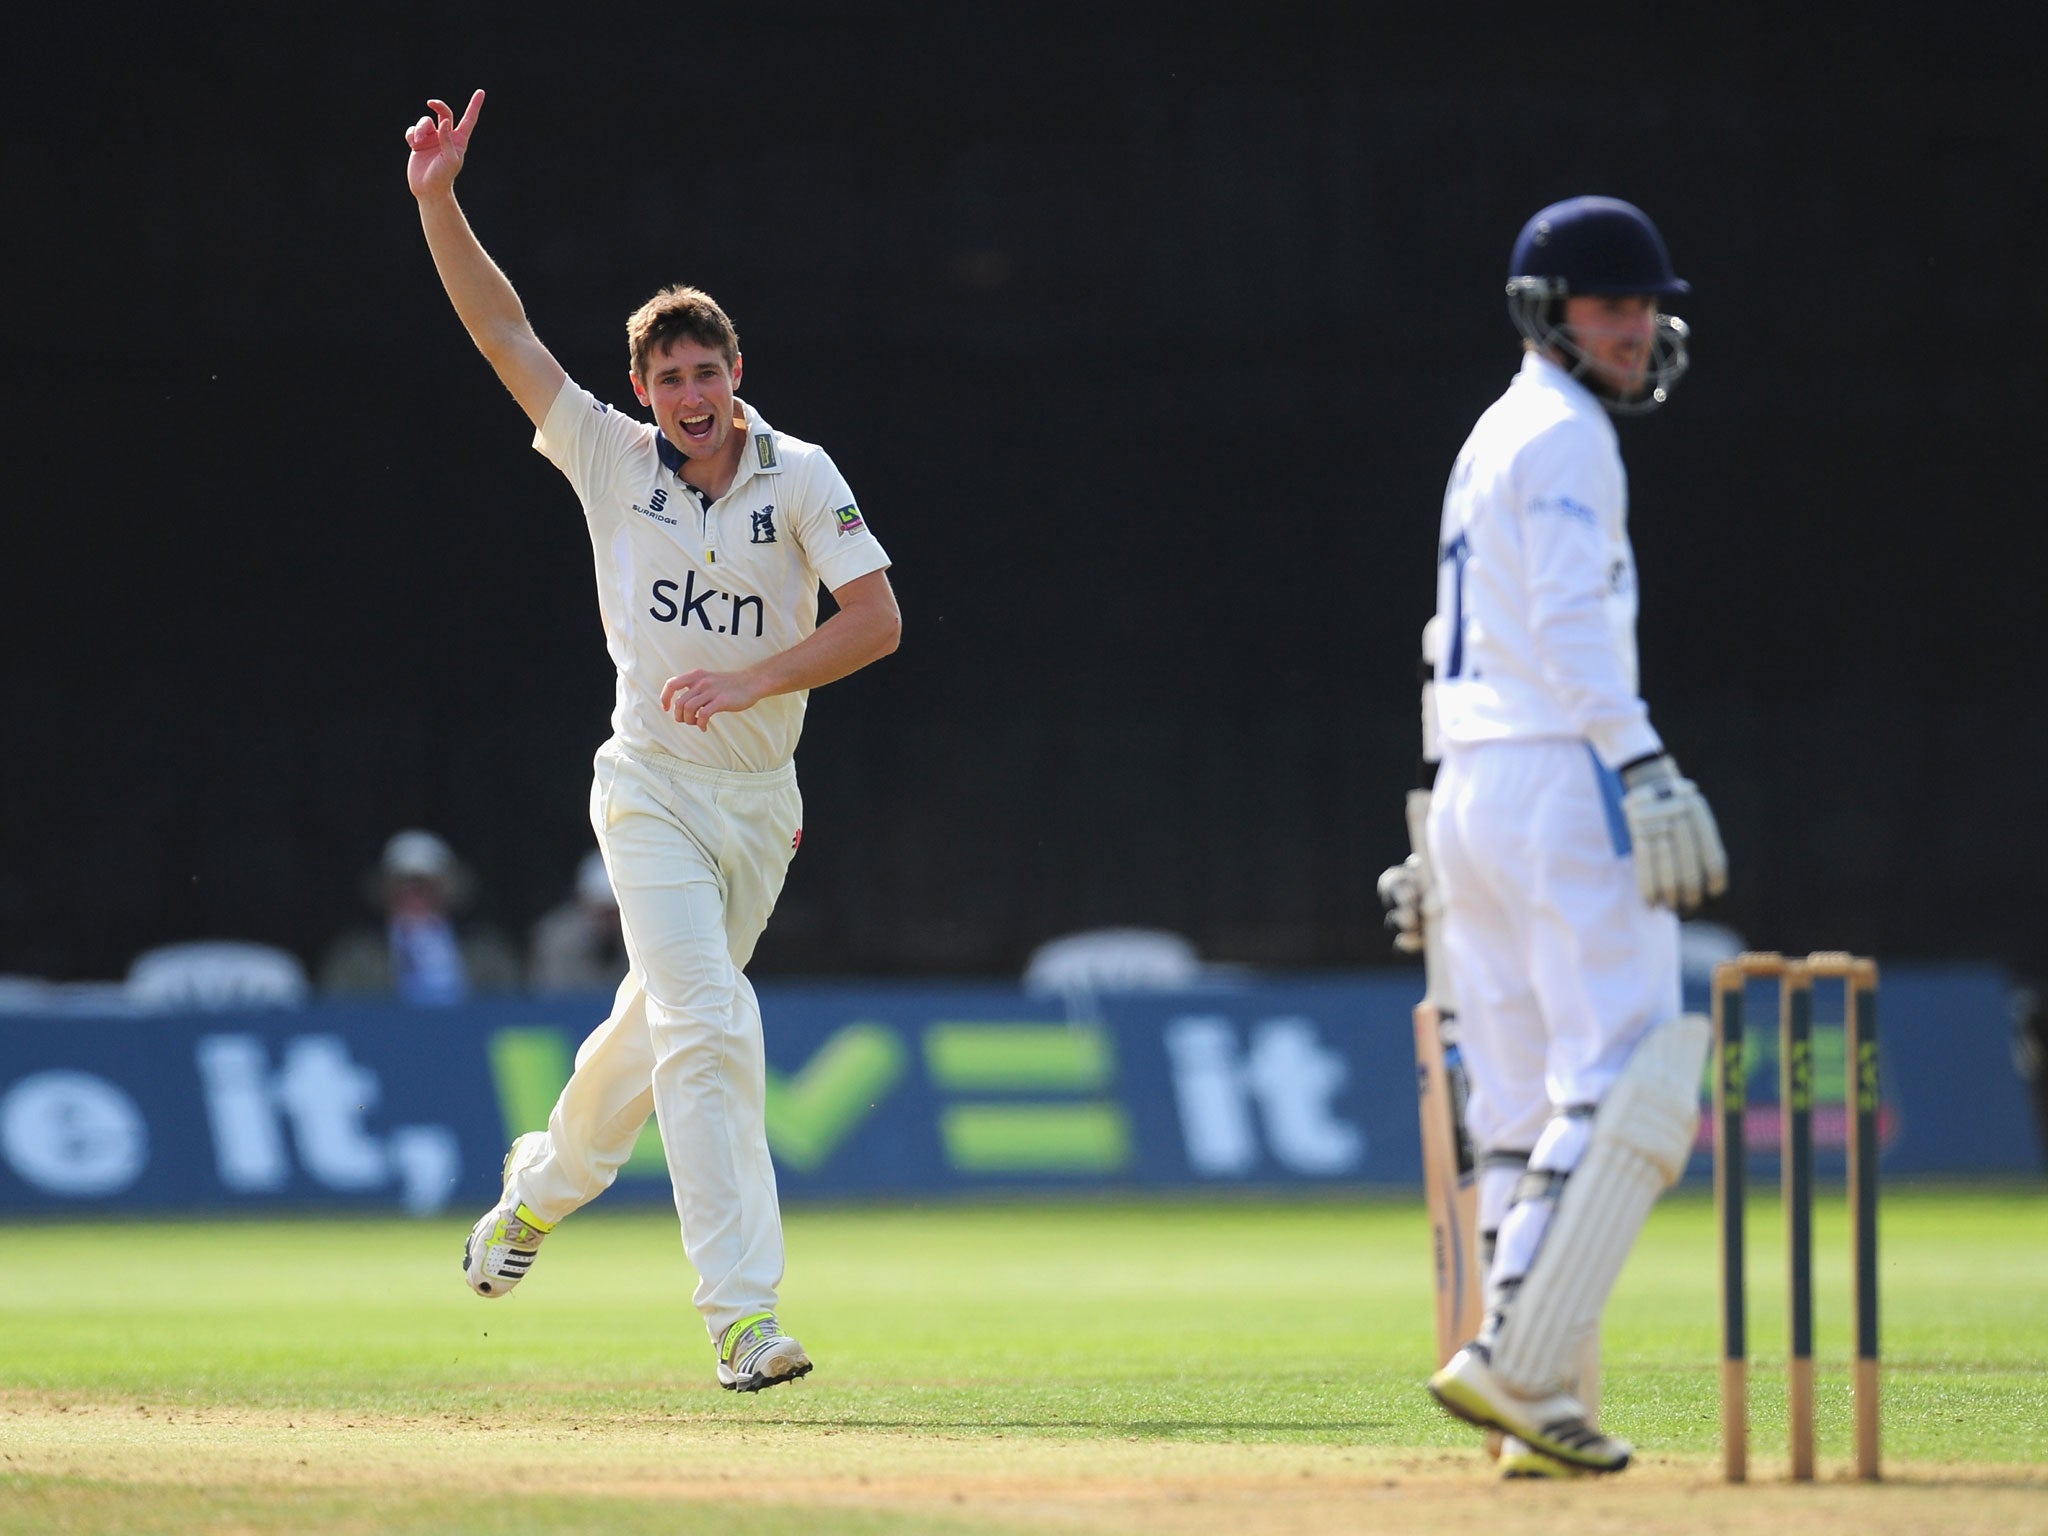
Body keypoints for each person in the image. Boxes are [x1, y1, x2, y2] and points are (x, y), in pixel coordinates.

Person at [404, 90, 901, 1392]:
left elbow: (878, 621)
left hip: (758, 808)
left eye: (707, 371)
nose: (688, 393)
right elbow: (502, 331)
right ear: (643, 389)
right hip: (648, 791)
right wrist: (438, 201)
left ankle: (534, 1195)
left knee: (649, 1034)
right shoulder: (611, 458)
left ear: (738, 373)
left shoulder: (803, 476)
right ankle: (744, 1321)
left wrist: (758, 682)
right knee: (708, 1023)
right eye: (667, 377)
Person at [1381, 196, 1727, 1475]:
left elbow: (1455, 632)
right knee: (1630, 1078)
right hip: (1557, 772)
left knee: (1522, 1113)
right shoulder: (1568, 434)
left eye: (1643, 305)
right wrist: (1635, 760)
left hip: (1472, 779)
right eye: (1609, 304)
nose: (1634, 328)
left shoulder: (1492, 432)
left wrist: (1441, 819)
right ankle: (1517, 1363)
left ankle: (1532, 1396)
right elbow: (1572, 625)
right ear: (1548, 310)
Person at [318, 829, 522, 1004]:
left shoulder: (486, 952)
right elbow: (336, 1014)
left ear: (448, 890)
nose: (414, 896)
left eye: (425, 887)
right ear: (386, 892)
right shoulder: (355, 956)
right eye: (403, 887)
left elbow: (515, 1010)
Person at [528, 849, 629, 994]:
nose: (609, 921)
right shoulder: (557, 942)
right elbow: (551, 999)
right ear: (584, 904)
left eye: (616, 912)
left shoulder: (644, 940)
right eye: (602, 912)